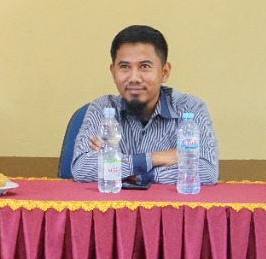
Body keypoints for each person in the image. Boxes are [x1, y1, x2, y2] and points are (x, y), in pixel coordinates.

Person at [71, 24, 219, 186]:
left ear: (164, 72)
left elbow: (207, 170)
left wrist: (124, 169)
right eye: (124, 67)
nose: (134, 77)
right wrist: (157, 158)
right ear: (113, 72)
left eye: (145, 66)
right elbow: (82, 168)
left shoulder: (190, 108)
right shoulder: (103, 108)